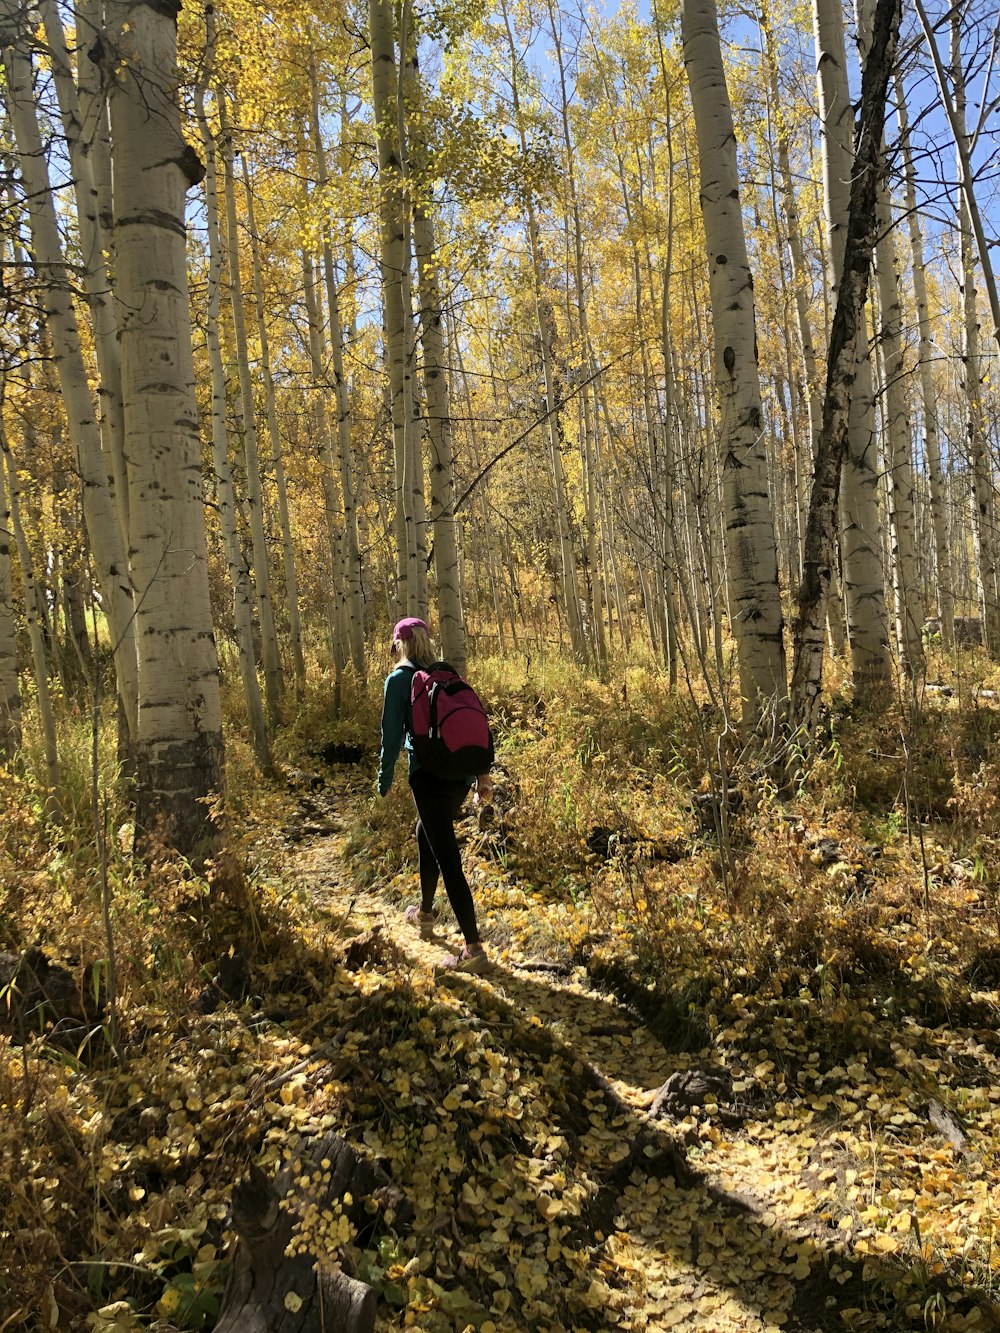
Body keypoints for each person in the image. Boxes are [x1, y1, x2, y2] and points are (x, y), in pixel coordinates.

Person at [377, 617, 492, 973]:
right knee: (424, 832)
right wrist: (480, 773)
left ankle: (473, 949)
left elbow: (391, 736)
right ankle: (425, 913)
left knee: (446, 853)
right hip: (459, 774)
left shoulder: (399, 679)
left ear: (400, 644)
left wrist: (383, 779)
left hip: (427, 775)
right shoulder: (445, 676)